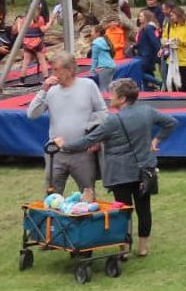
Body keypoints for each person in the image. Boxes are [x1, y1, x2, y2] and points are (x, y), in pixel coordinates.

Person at [56, 79, 177, 258]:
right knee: (144, 209)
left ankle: (124, 248)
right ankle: (143, 248)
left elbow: (88, 140)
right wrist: (156, 140)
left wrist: (64, 146)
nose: (108, 98)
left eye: (111, 95)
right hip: (145, 169)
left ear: (121, 98)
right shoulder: (147, 111)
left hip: (120, 173)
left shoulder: (113, 120)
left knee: (122, 211)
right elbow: (171, 122)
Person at [27, 51, 107, 199]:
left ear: (69, 70)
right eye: (52, 69)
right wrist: (43, 90)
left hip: (83, 152)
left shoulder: (88, 86)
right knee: (52, 196)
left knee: (88, 193)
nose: (53, 73)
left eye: (56, 69)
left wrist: (94, 136)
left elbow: (102, 112)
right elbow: (32, 113)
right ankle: (52, 221)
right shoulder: (50, 91)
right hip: (56, 152)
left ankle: (87, 220)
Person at [162, 7, 186, 91]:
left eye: (173, 16)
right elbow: (164, 36)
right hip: (172, 59)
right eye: (170, 16)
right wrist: (165, 42)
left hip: (184, 60)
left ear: (179, 15)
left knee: (184, 83)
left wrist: (181, 41)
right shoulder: (169, 25)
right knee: (171, 83)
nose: (171, 18)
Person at [132, 9, 162, 89]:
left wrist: (159, 49)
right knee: (145, 73)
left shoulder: (149, 28)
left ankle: (159, 83)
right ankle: (147, 90)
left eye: (141, 16)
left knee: (138, 71)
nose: (139, 18)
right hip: (142, 54)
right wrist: (135, 46)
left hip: (147, 55)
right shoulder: (143, 28)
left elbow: (154, 40)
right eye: (139, 16)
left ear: (146, 17)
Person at [19, 11, 51, 80]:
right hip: (37, 42)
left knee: (25, 61)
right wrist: (50, 23)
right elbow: (43, 30)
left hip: (26, 42)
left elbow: (21, 31)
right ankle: (46, 77)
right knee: (42, 61)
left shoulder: (24, 19)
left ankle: (22, 79)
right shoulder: (39, 19)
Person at [90, 23, 117, 91]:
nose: (91, 33)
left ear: (97, 33)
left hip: (104, 67)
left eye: (92, 32)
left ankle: (105, 101)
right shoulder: (105, 40)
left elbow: (94, 58)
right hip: (112, 66)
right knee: (108, 88)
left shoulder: (96, 43)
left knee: (103, 88)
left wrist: (92, 70)